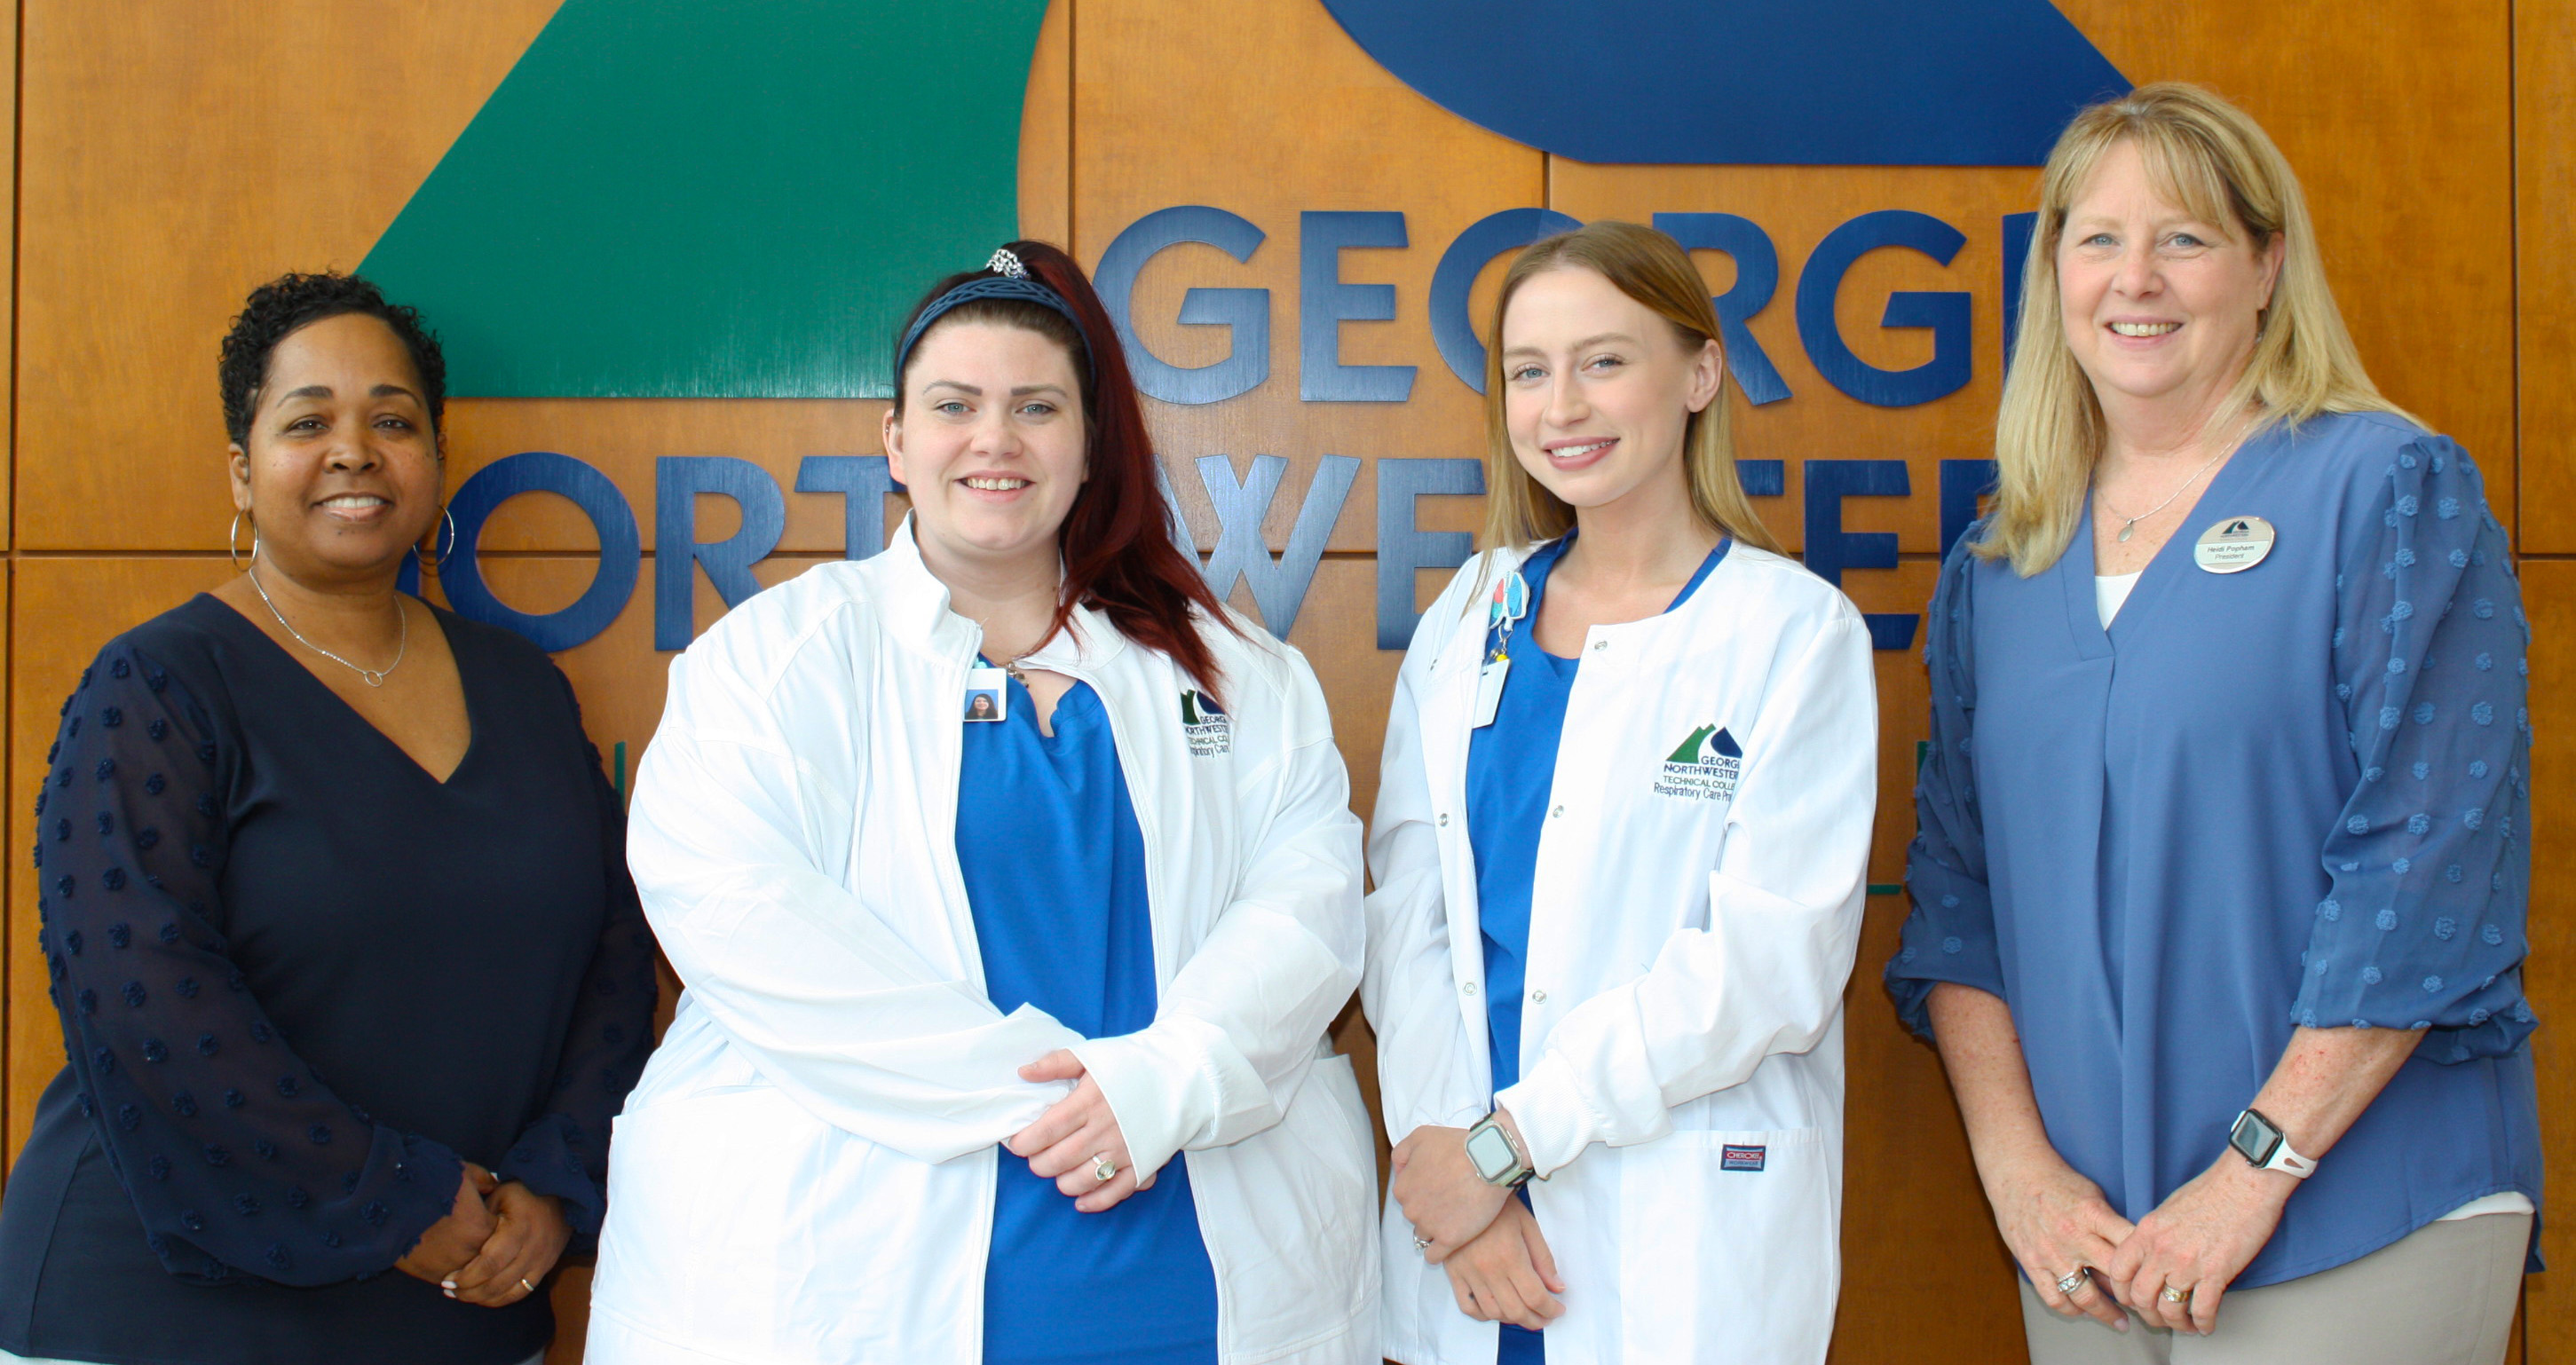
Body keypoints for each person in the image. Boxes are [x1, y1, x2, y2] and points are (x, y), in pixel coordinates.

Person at [586, 242, 1376, 1365]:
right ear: (897, 442)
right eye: (954, 405)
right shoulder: (773, 660)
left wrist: (1160, 1083)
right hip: (853, 1258)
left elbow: (1309, 908)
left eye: (1037, 406)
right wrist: (1073, 1101)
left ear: (1089, 442)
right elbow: (741, 918)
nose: (994, 439)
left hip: (1180, 1266)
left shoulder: (1238, 671)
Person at [1887, 83, 2540, 1364]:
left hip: (2358, 1204)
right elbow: (1957, 903)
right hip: (2087, 1237)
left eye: (2183, 238)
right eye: (2097, 239)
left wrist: (2252, 1170)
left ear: (2265, 267)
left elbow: (2427, 873)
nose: (2136, 278)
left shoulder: (2384, 488)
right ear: (2054, 274)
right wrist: (2016, 1172)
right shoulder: (2002, 562)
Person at [0, 272, 659, 1365]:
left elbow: (613, 951)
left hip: (462, 1303)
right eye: (308, 421)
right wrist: (388, 1193)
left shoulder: (521, 684)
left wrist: (555, 1177)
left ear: (435, 462)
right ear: (242, 471)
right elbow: (142, 993)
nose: (354, 450)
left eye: (392, 420)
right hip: (159, 1314)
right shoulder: (157, 685)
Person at [1363, 221, 1877, 1364]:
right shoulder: (1468, 616)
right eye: (1529, 371)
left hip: (1669, 1235)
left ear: (1699, 374)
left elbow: (1767, 967)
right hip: (1470, 1229)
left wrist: (1509, 1142)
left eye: (1604, 361)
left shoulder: (1789, 633)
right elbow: (1408, 920)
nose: (1563, 407)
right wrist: (1458, 1176)